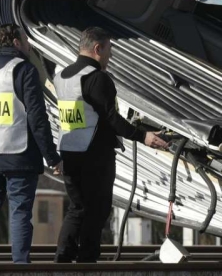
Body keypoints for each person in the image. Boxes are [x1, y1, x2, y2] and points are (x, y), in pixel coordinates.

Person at [54, 27, 168, 263]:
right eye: (109, 50)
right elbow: (111, 118)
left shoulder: (63, 76)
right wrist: (143, 136)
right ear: (98, 49)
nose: (110, 56)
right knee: (97, 209)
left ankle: (62, 261)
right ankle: (87, 261)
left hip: (69, 152)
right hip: (95, 155)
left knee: (77, 209)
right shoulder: (97, 78)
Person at [0, 24, 62, 264]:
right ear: (16, 42)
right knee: (19, 212)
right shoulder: (24, 69)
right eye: (26, 40)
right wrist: (52, 157)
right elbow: (37, 118)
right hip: (19, 153)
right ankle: (20, 266)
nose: (29, 45)